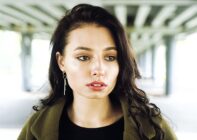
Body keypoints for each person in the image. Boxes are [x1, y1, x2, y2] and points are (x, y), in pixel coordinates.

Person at [18, 4, 177, 140]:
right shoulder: (36, 127)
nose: (99, 69)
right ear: (61, 62)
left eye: (109, 57)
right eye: (83, 57)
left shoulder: (152, 126)